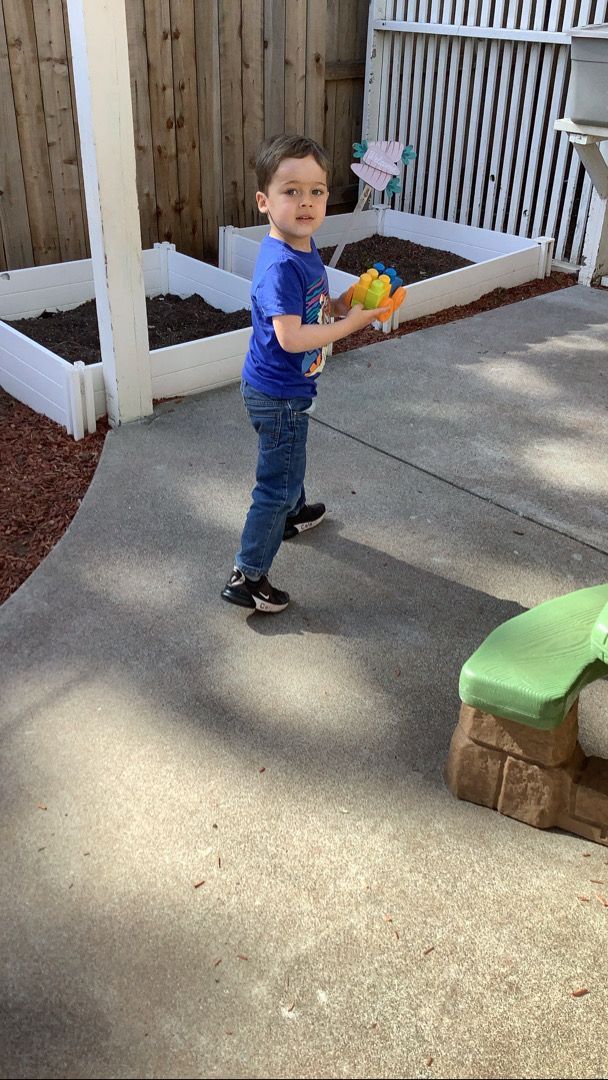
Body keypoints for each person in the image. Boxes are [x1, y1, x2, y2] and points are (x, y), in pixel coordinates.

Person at [221, 134, 388, 613]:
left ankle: (292, 514)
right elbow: (292, 336)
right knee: (274, 482)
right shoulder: (279, 265)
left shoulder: (303, 247)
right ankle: (248, 575)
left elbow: (312, 308)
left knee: (289, 462)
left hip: (281, 388)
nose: (306, 202)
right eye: (291, 191)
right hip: (279, 395)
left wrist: (341, 303)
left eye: (316, 191)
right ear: (263, 201)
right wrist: (350, 325)